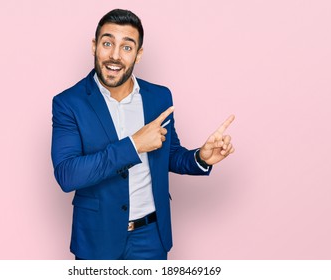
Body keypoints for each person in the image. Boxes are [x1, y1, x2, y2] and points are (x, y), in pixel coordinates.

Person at [51, 9, 235, 260]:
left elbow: (168, 154)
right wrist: (134, 145)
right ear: (94, 46)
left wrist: (200, 158)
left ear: (138, 54)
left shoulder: (159, 97)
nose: (115, 55)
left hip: (151, 237)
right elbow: (67, 174)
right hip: (97, 240)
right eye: (107, 43)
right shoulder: (68, 103)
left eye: (126, 47)